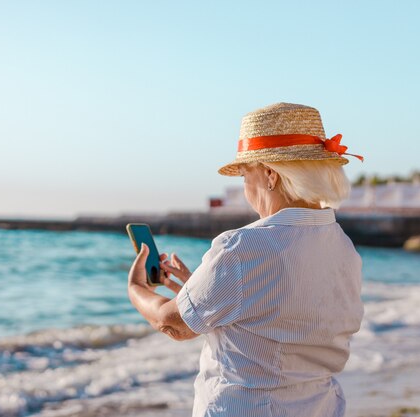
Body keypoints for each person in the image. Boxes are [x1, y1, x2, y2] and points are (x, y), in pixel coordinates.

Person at [128, 102, 365, 417]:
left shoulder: (242, 247)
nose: (244, 188)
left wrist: (136, 287)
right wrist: (198, 288)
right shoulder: (342, 246)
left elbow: (172, 324)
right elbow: (279, 316)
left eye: (244, 174)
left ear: (269, 174)